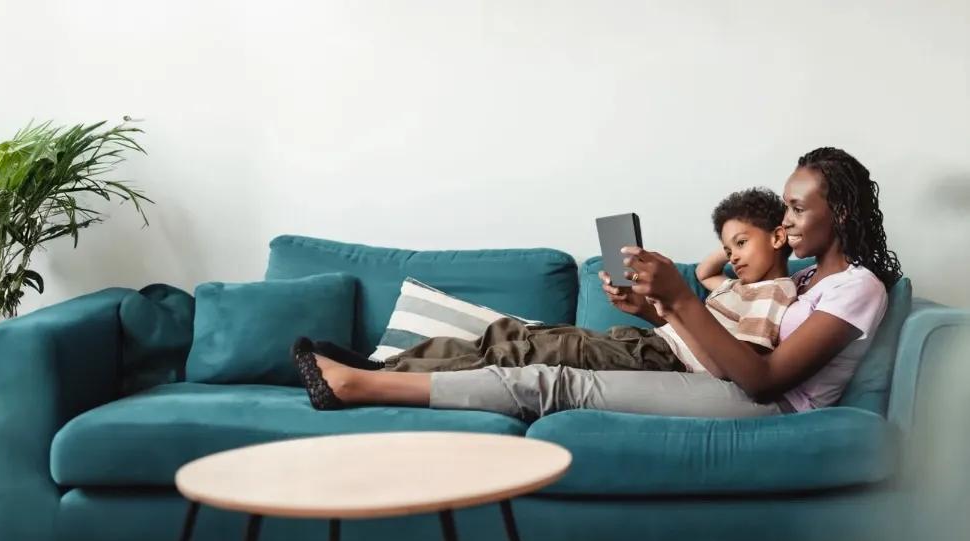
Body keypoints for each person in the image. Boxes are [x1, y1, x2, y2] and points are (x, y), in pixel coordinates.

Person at [292, 147, 900, 421]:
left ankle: (363, 384)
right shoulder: (805, 276)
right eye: (786, 209)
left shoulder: (857, 288)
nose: (787, 221)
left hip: (763, 408)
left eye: (797, 209)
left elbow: (764, 380)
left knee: (549, 379)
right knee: (530, 355)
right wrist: (660, 308)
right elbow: (723, 346)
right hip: (721, 379)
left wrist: (682, 295)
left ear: (840, 213)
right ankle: (369, 377)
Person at [311, 187, 798, 377]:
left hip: (659, 359)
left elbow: (741, 362)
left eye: (742, 243)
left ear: (779, 236)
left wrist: (763, 246)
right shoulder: (732, 286)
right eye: (730, 246)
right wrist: (734, 242)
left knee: (524, 353)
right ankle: (387, 362)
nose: (732, 257)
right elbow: (709, 273)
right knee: (509, 335)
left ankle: (379, 375)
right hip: (645, 341)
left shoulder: (776, 293)